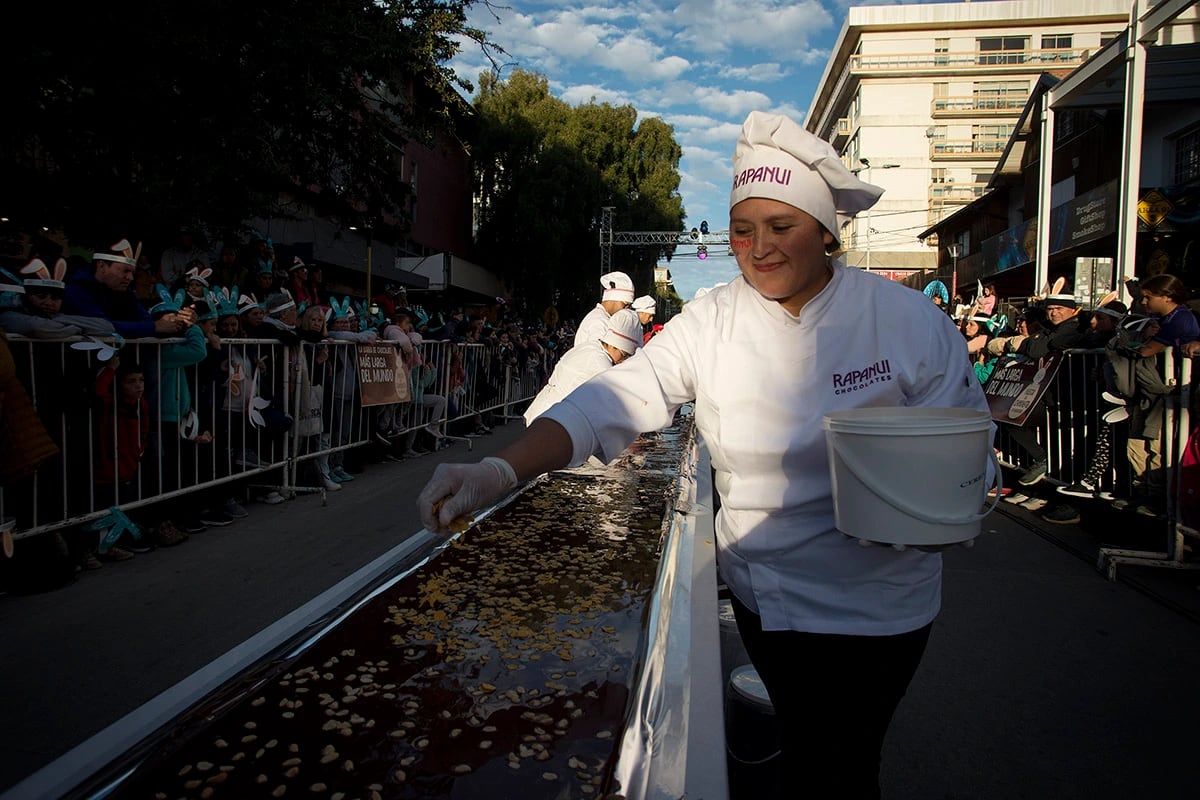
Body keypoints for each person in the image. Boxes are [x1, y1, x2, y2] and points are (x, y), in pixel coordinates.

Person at [418, 110, 990, 799]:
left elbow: (966, 452)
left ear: (827, 231)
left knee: (841, 764)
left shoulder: (907, 321)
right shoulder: (714, 319)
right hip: (764, 594)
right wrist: (498, 470)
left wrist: (937, 502)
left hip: (879, 602)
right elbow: (615, 398)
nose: (759, 249)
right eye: (742, 230)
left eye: (782, 228)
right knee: (810, 753)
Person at [523, 308, 642, 425]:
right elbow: (614, 400)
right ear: (615, 346)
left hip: (547, 412)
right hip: (550, 417)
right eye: (624, 355)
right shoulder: (599, 362)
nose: (623, 360)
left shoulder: (591, 347)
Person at [574, 270, 634, 347]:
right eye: (626, 305)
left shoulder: (601, 317)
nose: (626, 310)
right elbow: (596, 354)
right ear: (614, 299)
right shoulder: (599, 321)